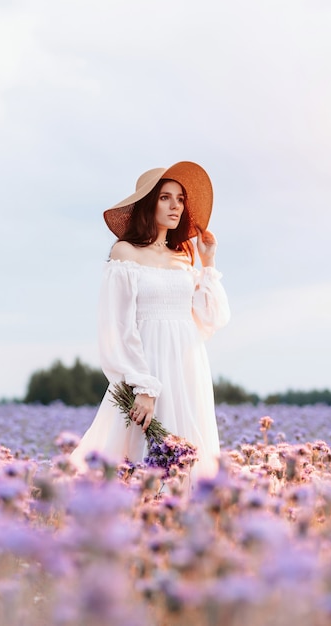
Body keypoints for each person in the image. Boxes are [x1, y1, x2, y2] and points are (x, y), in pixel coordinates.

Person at [70, 161, 230, 479]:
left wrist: (208, 260)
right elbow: (118, 325)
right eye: (165, 197)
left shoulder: (184, 257)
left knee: (187, 451)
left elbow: (210, 318)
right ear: (149, 203)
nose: (175, 206)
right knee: (135, 455)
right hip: (147, 366)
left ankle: (182, 520)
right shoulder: (125, 253)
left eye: (180, 199)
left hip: (187, 364)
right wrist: (142, 384)